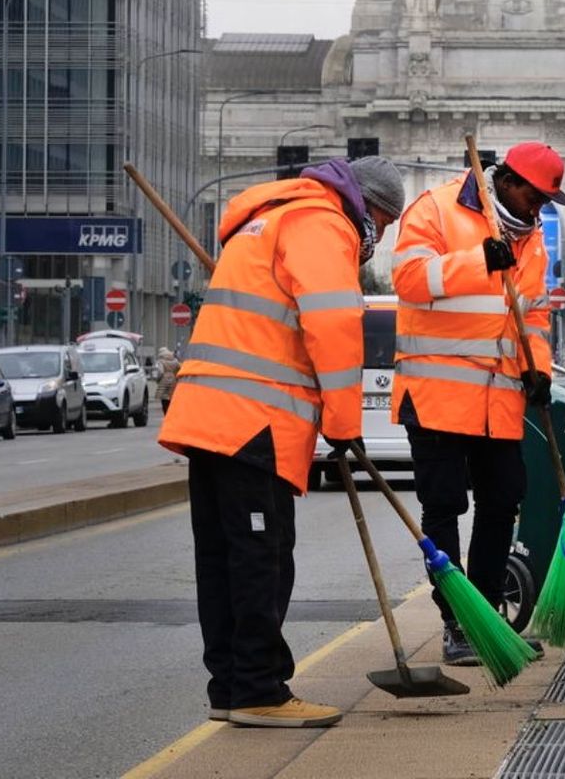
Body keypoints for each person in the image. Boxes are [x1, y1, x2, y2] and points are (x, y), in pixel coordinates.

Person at [159, 156, 406, 729]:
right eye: (384, 224)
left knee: (223, 560)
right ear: (368, 208)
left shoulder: (269, 219)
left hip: (211, 415)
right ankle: (258, 690)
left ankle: (230, 687)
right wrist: (344, 422)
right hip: (253, 422)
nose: (378, 239)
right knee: (260, 561)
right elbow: (336, 325)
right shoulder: (323, 224)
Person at [389, 141, 565, 665]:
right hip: (436, 396)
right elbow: (409, 280)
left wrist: (538, 368)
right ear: (508, 181)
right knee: (444, 508)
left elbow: (531, 317)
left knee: (504, 500)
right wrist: (476, 261)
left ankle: (486, 619)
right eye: (535, 197)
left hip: (498, 400)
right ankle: (457, 624)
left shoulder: (532, 240)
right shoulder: (436, 208)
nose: (539, 210)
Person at [156, 346, 181, 414]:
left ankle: (166, 414)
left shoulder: (161, 361)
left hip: (164, 380)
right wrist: (176, 376)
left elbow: (160, 372)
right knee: (171, 398)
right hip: (173, 380)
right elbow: (180, 368)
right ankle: (171, 413)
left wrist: (158, 380)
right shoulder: (175, 360)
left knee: (164, 399)